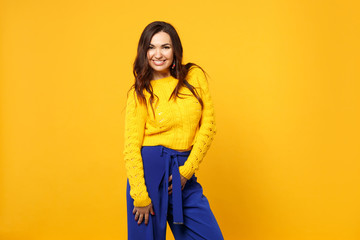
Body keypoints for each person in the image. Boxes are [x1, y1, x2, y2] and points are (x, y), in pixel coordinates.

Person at [123, 21, 224, 240]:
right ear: (144, 51)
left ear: (175, 50)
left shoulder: (193, 76)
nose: (158, 54)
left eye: (165, 47)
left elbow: (209, 125)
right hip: (148, 174)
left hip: (182, 168)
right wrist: (139, 194)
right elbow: (131, 146)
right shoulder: (139, 92)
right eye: (151, 47)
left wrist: (187, 171)